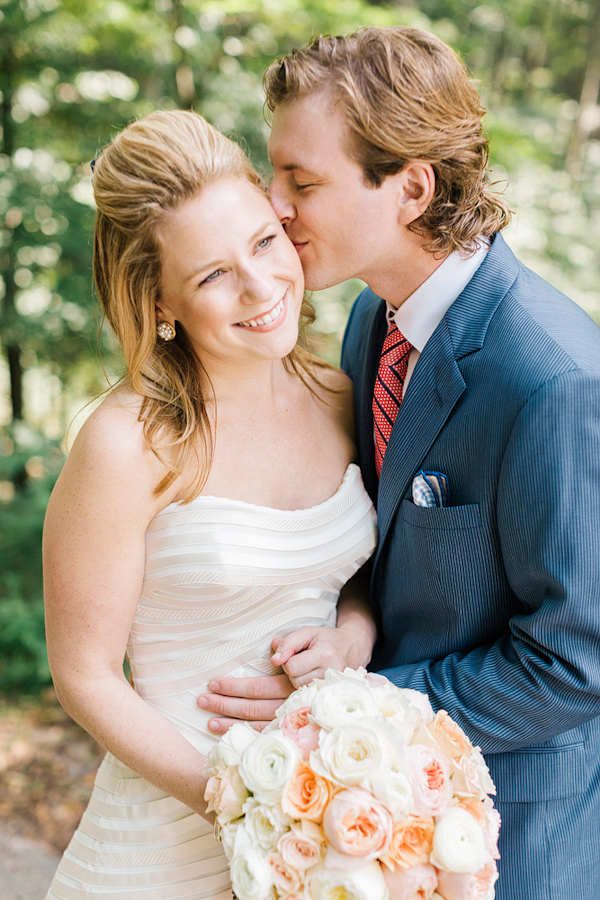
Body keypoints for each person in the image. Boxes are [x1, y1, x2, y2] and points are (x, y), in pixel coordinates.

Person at [197, 26, 600, 900]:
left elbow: (574, 663)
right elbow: (384, 544)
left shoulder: (552, 380)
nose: (274, 207)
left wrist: (355, 699)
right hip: (364, 841)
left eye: (302, 182)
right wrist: (353, 628)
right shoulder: (369, 322)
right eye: (276, 178)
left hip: (512, 838)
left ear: (411, 188)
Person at [42, 108, 377, 900]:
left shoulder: (339, 397)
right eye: (212, 275)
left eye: (264, 242)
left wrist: (354, 635)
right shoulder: (127, 443)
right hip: (164, 848)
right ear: (161, 304)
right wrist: (239, 807)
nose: (261, 287)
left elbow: (350, 575)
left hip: (319, 829)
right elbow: (84, 674)